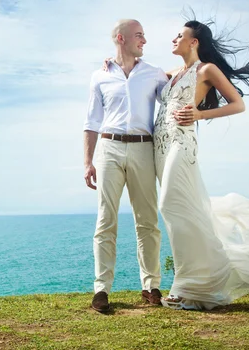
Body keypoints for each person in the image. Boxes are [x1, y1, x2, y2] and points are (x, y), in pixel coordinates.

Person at [154, 19, 249, 310]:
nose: (174, 39)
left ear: (194, 42)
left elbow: (238, 104)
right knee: (183, 210)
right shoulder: (173, 72)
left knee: (169, 205)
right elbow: (138, 76)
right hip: (158, 146)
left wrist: (199, 115)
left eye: (180, 36)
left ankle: (186, 285)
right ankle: (196, 280)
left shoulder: (206, 70)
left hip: (181, 143)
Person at [83, 19, 169, 313]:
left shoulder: (154, 73)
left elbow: (174, 91)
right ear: (121, 38)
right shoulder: (100, 76)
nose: (144, 40)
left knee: (147, 221)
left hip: (144, 149)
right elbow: (91, 122)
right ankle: (101, 290)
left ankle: (151, 286)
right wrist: (87, 162)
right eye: (139, 35)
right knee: (105, 221)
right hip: (109, 148)